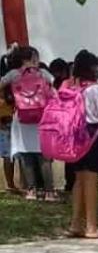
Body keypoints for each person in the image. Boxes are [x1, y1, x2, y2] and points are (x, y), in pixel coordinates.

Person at [65, 50, 98, 239]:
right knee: (91, 182)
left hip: (75, 136)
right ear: (93, 68)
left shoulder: (72, 88)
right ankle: (91, 227)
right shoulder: (96, 89)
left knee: (78, 180)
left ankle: (75, 224)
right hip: (93, 135)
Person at [3, 46, 58, 202]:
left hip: (22, 119)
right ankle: (49, 192)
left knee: (26, 154)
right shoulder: (43, 73)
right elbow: (56, 88)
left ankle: (31, 191)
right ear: (33, 58)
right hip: (42, 118)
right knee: (44, 156)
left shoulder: (14, 74)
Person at [0, 84, 16, 195]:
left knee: (10, 158)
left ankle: (10, 184)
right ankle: (10, 185)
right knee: (8, 157)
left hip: (9, 127)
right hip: (5, 128)